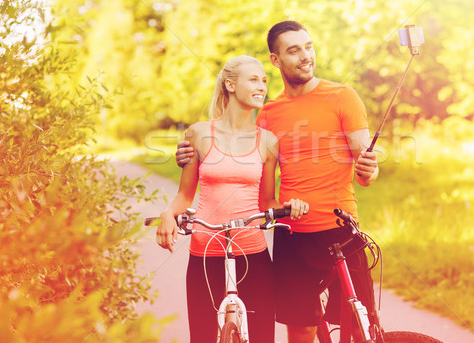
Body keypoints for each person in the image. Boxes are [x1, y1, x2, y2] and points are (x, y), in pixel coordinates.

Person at [176, 21, 379, 343]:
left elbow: (366, 167)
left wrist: (369, 169)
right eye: (294, 50)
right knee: (299, 330)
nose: (305, 56)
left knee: (358, 325)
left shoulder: (343, 97)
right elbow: (244, 155)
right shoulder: (268, 113)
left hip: (340, 228)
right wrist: (192, 154)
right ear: (276, 59)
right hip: (291, 233)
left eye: (308, 46)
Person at [156, 55, 309, 343]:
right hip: (205, 251)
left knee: (262, 337)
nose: (262, 86)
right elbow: (184, 195)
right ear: (230, 84)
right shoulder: (199, 133)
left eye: (264, 80)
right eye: (253, 79)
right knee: (201, 337)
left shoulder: (267, 141)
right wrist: (168, 215)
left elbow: (267, 203)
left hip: (253, 251)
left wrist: (291, 206)